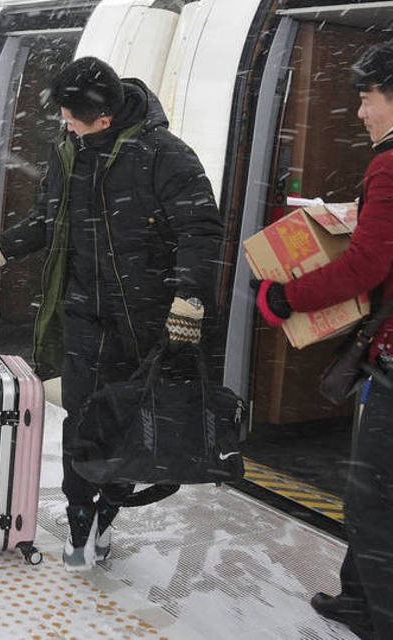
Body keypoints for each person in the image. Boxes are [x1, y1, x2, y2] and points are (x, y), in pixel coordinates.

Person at [0, 57, 223, 570]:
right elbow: (46, 221)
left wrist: (187, 303)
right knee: (82, 424)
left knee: (124, 430)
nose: (64, 123)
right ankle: (81, 522)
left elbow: (201, 233)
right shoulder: (69, 152)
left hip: (143, 324)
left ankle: (105, 520)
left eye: (71, 116)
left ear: (103, 119)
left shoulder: (165, 157)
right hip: (82, 316)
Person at [255, 41, 393, 640]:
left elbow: (366, 265)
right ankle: (359, 597)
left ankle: (377, 616)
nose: (360, 112)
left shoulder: (389, 163)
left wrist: (286, 297)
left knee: (373, 498)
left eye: (367, 97)